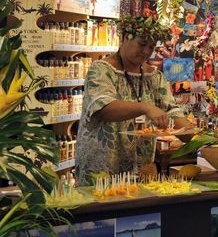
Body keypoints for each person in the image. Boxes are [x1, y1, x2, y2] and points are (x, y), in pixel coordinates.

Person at [75, 16, 192, 185]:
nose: (146, 51)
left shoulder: (154, 76)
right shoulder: (100, 70)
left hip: (140, 169)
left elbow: (171, 110)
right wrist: (145, 107)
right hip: (102, 168)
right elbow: (103, 108)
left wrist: (188, 131)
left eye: (151, 47)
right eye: (142, 44)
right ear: (124, 38)